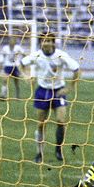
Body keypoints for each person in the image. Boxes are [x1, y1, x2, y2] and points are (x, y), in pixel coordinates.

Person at [22, 32, 80, 163]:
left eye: (49, 40)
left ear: (53, 42)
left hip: (58, 91)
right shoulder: (36, 55)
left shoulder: (61, 55)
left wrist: (69, 88)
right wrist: (26, 76)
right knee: (41, 124)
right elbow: (21, 63)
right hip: (42, 92)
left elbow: (76, 69)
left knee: (60, 120)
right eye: (44, 40)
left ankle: (58, 149)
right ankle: (39, 153)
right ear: (41, 42)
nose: (47, 43)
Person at [0, 34, 27, 100]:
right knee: (5, 80)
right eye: (11, 40)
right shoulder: (5, 48)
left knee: (16, 82)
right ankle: (3, 95)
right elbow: (2, 57)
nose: (12, 41)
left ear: (15, 41)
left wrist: (23, 63)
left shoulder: (18, 47)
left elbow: (24, 54)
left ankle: (17, 96)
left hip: (15, 66)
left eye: (14, 40)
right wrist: (0, 66)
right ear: (9, 41)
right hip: (7, 66)